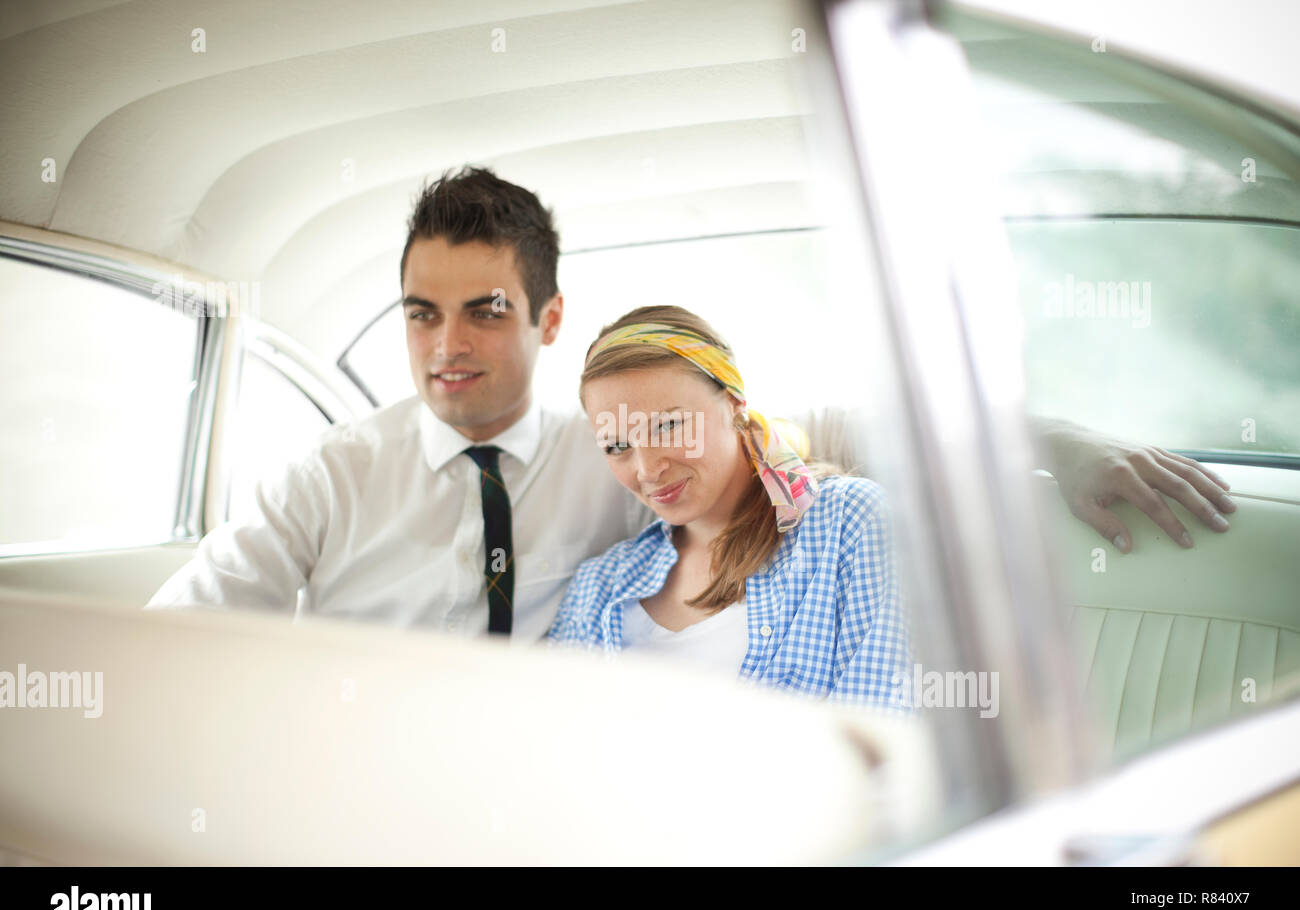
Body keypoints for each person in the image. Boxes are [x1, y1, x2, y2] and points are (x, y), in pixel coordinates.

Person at [148, 166, 1238, 639]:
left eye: (483, 310)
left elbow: (853, 426)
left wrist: (1061, 437)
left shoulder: (629, 450)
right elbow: (184, 639)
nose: (446, 347)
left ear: (549, 315)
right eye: (420, 313)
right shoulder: (327, 472)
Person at [545, 307, 908, 707]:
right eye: (617, 446)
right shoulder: (596, 589)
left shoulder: (848, 525)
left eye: (668, 426)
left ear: (734, 402)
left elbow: (883, 731)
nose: (648, 469)